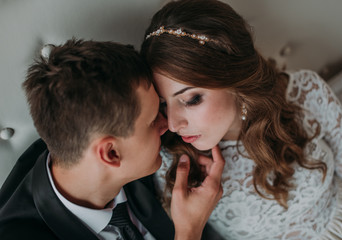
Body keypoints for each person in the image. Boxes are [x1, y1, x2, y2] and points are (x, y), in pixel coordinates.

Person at [140, 0, 342, 239]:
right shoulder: (172, 161)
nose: (173, 124)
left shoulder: (305, 93)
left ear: (234, 78)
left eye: (192, 99)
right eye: (163, 104)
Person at [0, 39, 225, 240]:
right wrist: (189, 231)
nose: (167, 125)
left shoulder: (76, 141)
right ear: (111, 154)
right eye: (152, 122)